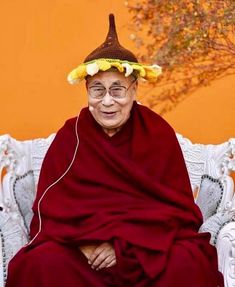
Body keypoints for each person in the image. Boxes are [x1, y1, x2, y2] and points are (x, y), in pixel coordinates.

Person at [6, 14, 224, 287]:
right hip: (84, 254)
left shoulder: (158, 134)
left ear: (134, 91)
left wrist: (122, 246)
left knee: (187, 262)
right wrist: (84, 244)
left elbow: (177, 213)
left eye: (117, 90)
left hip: (145, 250)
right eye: (97, 90)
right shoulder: (70, 137)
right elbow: (48, 210)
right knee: (40, 262)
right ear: (86, 91)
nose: (107, 101)